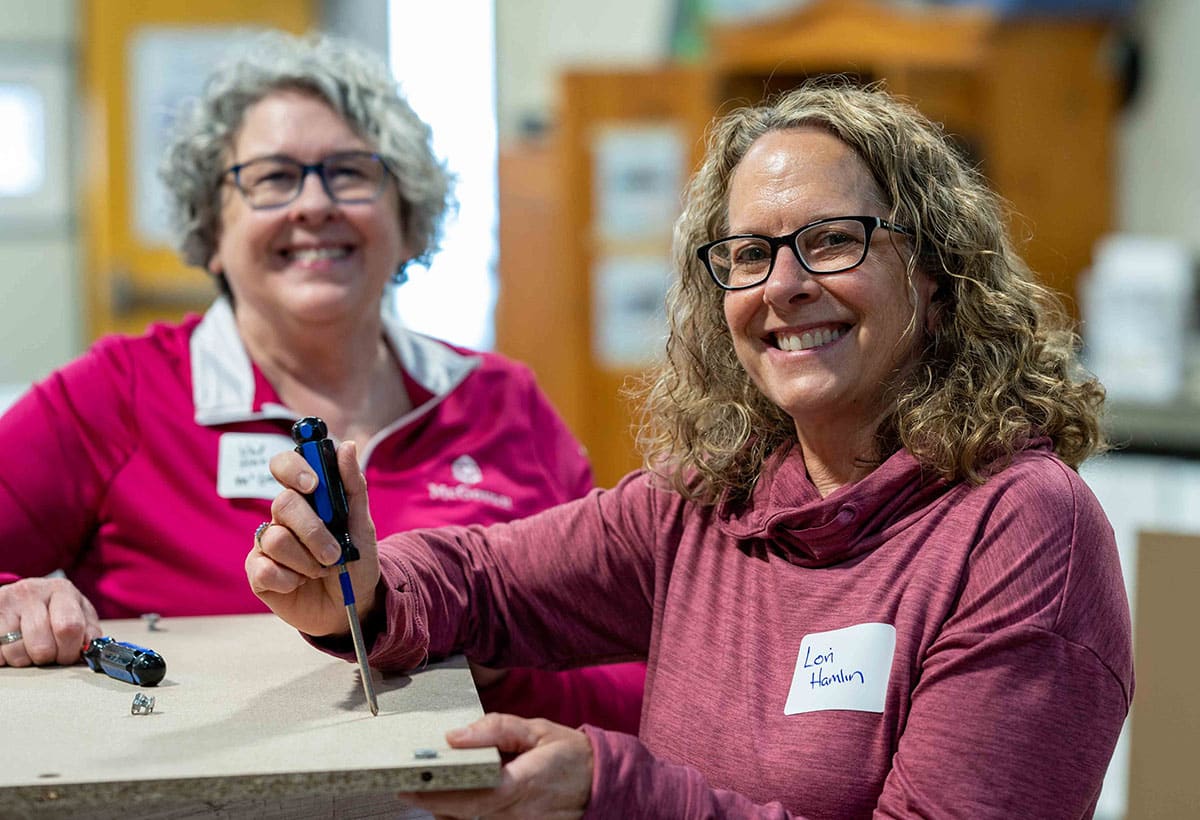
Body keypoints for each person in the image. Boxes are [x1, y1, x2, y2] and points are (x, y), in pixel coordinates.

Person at [248, 80, 1133, 818]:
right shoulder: (715, 503)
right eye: (748, 255)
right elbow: (484, 578)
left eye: (830, 241)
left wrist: (615, 790)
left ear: (936, 275)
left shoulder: (1020, 528)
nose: (783, 286)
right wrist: (358, 589)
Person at [0, 31, 643, 734]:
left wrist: (500, 664)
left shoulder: (501, 403)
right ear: (210, 226)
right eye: (273, 178)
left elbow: (627, 667)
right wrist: (16, 607)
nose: (314, 204)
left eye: (350, 173)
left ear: (409, 221)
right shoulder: (115, 395)